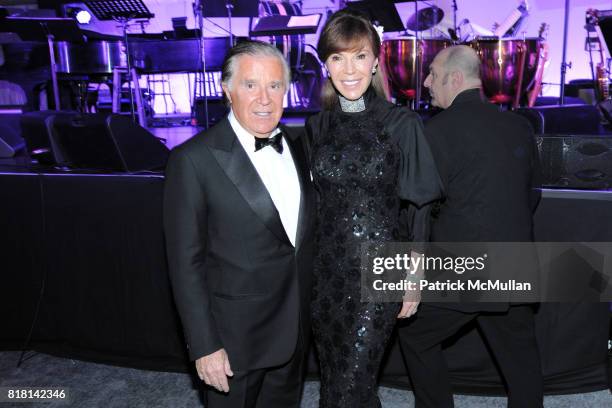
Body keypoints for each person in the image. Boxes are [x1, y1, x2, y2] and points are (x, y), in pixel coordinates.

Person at [163, 40, 316, 408]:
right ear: (226, 90)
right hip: (234, 344)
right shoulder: (193, 161)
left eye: (275, 86)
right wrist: (204, 345)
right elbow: (186, 265)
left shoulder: (297, 145)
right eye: (250, 85)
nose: (264, 99)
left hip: (294, 332)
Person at [307, 10, 442, 407]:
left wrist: (414, 279)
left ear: (376, 61)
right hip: (326, 275)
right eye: (337, 58)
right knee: (339, 384)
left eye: (359, 56)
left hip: (380, 271)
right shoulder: (318, 126)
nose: (349, 69)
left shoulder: (401, 123)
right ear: (326, 66)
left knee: (352, 383)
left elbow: (421, 206)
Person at [397, 45, 543, 408]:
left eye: (432, 73)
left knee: (415, 337)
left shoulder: (435, 131)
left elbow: (421, 206)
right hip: (514, 263)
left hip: (464, 268)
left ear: (455, 78)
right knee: (520, 355)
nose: (427, 82)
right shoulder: (520, 126)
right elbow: (533, 194)